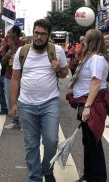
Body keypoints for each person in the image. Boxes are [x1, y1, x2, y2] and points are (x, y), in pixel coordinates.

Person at [10, 19, 69, 182]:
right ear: (33, 33)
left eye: (43, 34)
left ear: (48, 35)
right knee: (31, 145)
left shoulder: (57, 51)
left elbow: (65, 73)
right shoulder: (22, 51)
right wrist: (14, 103)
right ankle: (35, 177)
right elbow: (15, 79)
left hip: (50, 103)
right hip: (26, 104)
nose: (39, 36)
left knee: (51, 140)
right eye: (37, 33)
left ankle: (47, 170)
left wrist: (58, 69)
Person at [71, 29, 109, 182]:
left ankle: (98, 177)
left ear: (92, 41)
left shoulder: (97, 59)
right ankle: (88, 175)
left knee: (93, 142)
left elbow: (95, 83)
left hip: (92, 103)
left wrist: (87, 106)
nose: (83, 41)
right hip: (87, 102)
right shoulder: (89, 57)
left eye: (85, 39)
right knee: (87, 142)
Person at [1, 25, 24, 129]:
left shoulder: (23, 45)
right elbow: (3, 61)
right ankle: (15, 121)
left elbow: (22, 58)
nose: (7, 34)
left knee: (22, 100)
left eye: (9, 32)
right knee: (11, 100)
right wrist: (9, 50)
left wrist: (13, 48)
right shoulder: (6, 45)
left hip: (22, 77)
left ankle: (24, 123)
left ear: (15, 33)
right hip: (9, 76)